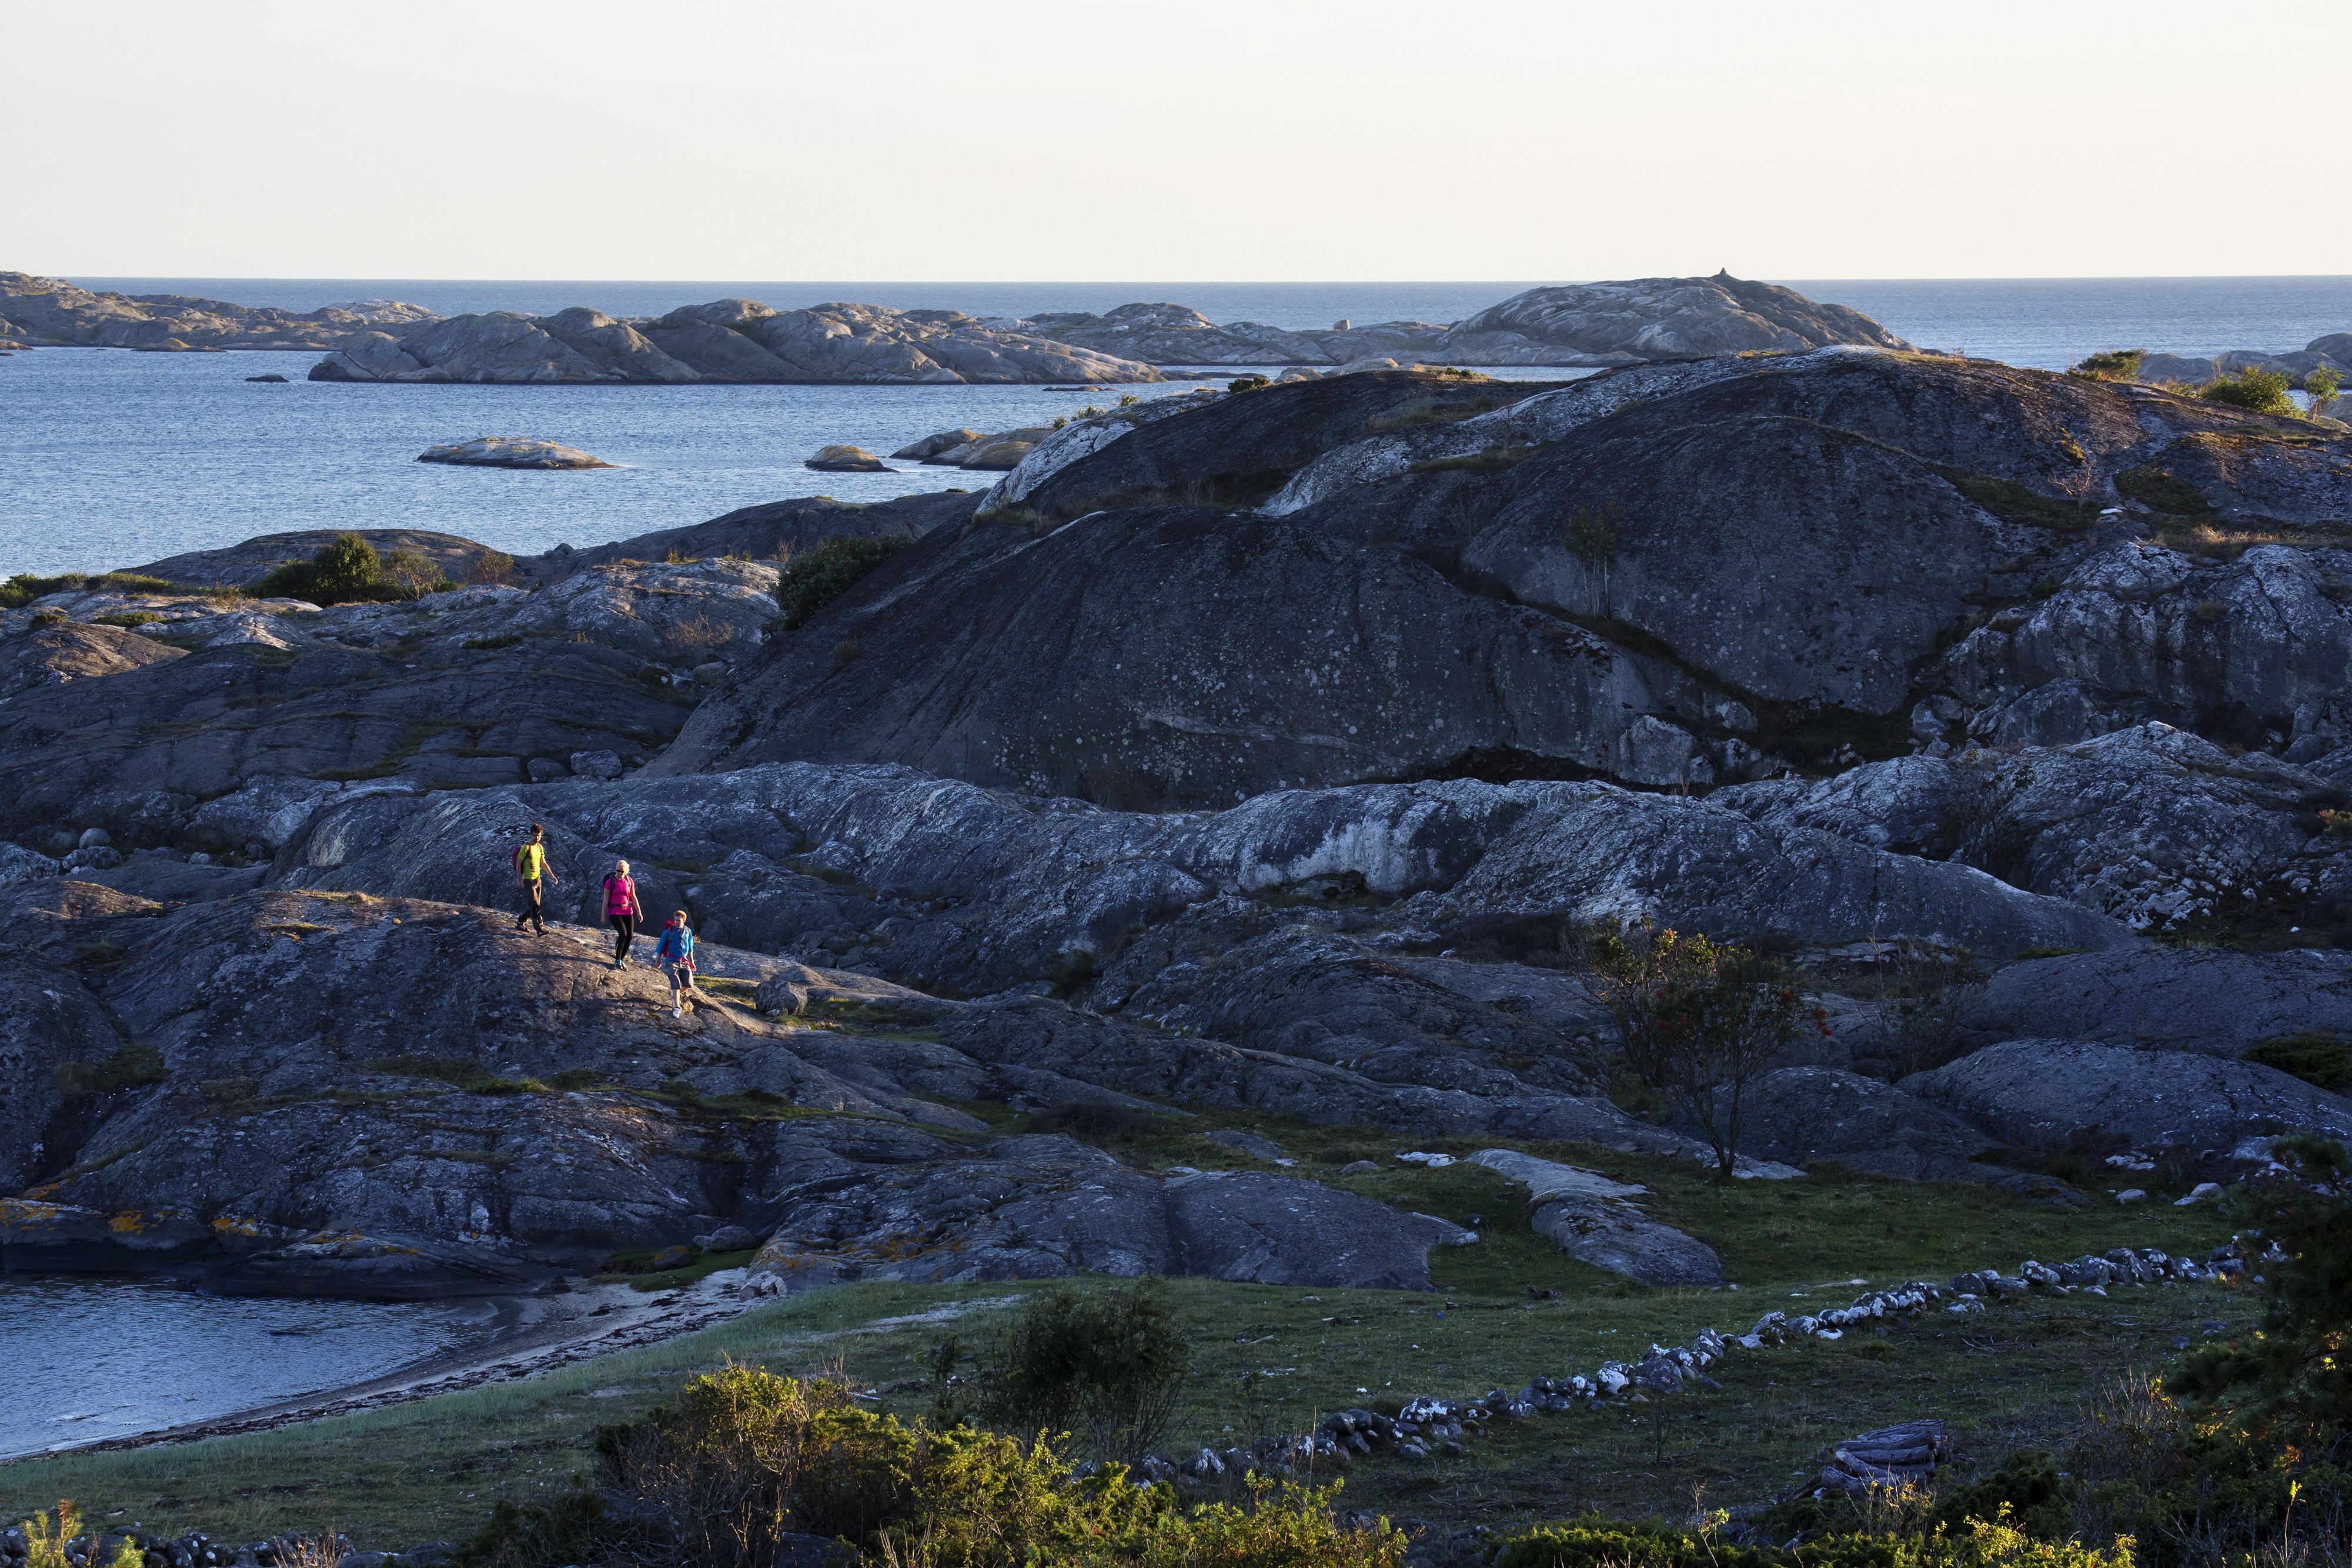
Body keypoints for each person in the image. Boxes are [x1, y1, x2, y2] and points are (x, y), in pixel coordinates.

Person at [512, 823, 558, 935]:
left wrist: (552, 876)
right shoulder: (526, 848)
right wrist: (520, 880)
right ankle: (539, 929)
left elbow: (543, 863)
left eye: (539, 835)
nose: (537, 837)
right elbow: (518, 864)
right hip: (528, 880)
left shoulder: (540, 848)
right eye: (535, 835)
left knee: (534, 905)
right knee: (535, 906)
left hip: (538, 880)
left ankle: (520, 922)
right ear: (531, 835)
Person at [653, 910, 698, 1017]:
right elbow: (661, 946)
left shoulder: (688, 931)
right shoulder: (669, 931)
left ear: (684, 920)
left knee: (688, 984)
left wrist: (692, 962)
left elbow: (690, 948)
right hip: (672, 960)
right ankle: (677, 1007)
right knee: (675, 981)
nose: (677, 922)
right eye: (676, 920)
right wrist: (658, 960)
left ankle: (674, 994)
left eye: (679, 920)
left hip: (684, 961)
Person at [602, 859, 643, 969]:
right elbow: (605, 900)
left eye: (622, 871)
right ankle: (617, 959)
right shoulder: (610, 882)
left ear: (627, 871)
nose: (620, 873)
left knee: (630, 936)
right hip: (614, 910)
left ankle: (622, 960)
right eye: (618, 871)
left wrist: (639, 912)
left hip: (627, 910)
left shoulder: (629, 881)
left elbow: (633, 897)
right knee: (623, 934)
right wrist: (603, 915)